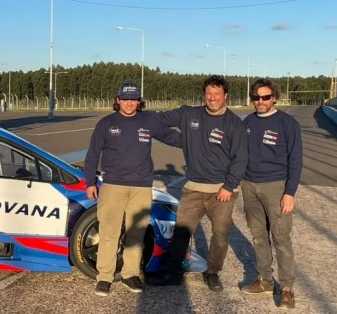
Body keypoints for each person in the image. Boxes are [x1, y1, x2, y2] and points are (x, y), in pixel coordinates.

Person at [148, 75, 248, 292]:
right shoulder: (189, 114)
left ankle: (212, 273)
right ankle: (172, 273)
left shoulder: (234, 124)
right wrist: (138, 116)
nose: (212, 98)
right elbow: (160, 119)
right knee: (181, 233)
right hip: (193, 188)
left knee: (220, 236)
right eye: (209, 94)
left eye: (217, 94)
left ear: (225, 97)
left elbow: (240, 159)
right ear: (204, 95)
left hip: (222, 191)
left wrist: (229, 186)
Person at [84, 82, 181, 297]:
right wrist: (90, 181)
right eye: (125, 99)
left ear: (139, 101)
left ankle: (130, 274)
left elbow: (173, 137)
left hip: (141, 187)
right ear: (118, 100)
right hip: (113, 186)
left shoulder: (149, 121)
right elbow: (92, 154)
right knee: (109, 233)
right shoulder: (106, 124)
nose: (129, 103)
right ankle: (105, 277)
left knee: (136, 234)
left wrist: (199, 142)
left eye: (134, 99)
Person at [240, 79, 302, 309]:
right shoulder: (247, 122)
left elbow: (295, 160)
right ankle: (265, 279)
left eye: (265, 97)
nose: (260, 101)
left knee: (281, 238)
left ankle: (286, 288)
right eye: (256, 97)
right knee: (258, 236)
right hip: (249, 185)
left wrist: (290, 192)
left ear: (274, 97)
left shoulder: (287, 123)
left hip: (276, 186)